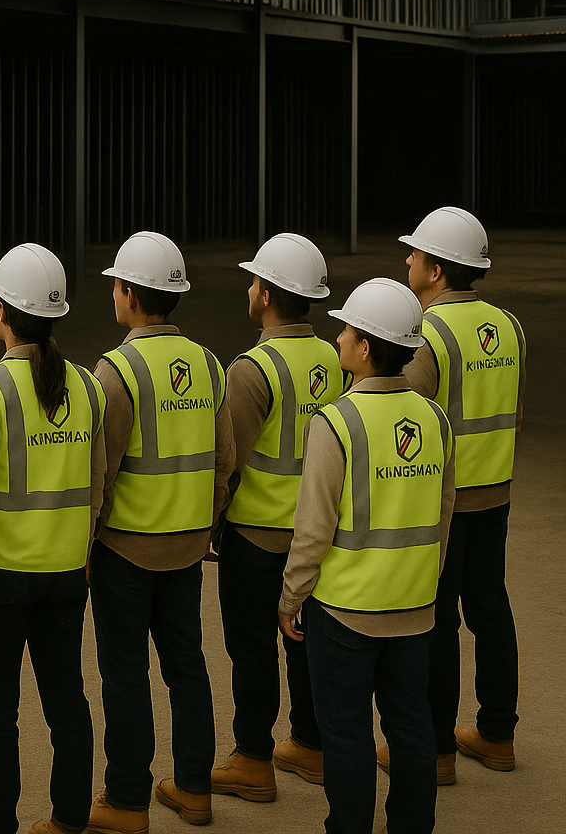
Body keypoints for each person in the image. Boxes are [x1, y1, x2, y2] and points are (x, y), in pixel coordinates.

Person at [279, 278, 456, 834]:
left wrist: (291, 596)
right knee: (412, 726)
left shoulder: (336, 423)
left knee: (347, 731)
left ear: (366, 347)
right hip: (414, 607)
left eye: (346, 328)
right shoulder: (435, 420)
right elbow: (442, 517)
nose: (339, 336)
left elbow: (313, 529)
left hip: (345, 613)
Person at [86, 230, 233, 834]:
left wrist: (89, 538)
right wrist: (206, 529)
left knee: (125, 673)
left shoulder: (115, 371)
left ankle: (126, 799)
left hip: (126, 547)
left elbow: (103, 469)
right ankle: (195, 788)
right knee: (187, 664)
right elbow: (225, 462)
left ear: (127, 295)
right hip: (188, 544)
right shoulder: (207, 364)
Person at [0, 244, 104, 834]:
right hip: (67, 573)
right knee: (67, 701)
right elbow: (97, 488)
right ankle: (70, 817)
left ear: (0, 311)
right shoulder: (89, 387)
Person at [211, 234, 344, 801]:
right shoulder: (336, 357)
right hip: (316, 533)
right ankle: (310, 745)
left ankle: (253, 758)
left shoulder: (252, 369)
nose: (249, 288)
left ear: (266, 295)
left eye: (253, 281)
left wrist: (211, 522)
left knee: (253, 648)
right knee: (305, 642)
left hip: (256, 537)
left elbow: (230, 458)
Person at [393, 207, 524, 778]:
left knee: (438, 622)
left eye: (415, 255)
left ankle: (437, 750)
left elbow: (411, 428)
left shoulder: (429, 335)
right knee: (491, 608)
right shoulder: (511, 326)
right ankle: (497, 735)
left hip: (443, 506)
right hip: (495, 493)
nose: (407, 261)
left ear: (438, 270)